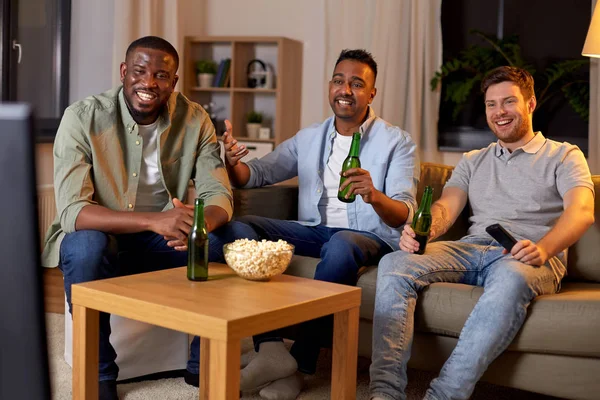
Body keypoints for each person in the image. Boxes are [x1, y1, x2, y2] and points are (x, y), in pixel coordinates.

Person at [369, 66, 595, 400]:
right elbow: (446, 207)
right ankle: (384, 393)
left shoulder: (563, 154)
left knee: (511, 278)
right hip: (471, 249)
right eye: (491, 104)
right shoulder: (474, 160)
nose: (499, 112)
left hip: (526, 256)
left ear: (530, 104)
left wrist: (545, 249)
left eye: (508, 102)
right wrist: (422, 230)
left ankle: (443, 395)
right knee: (394, 263)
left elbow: (582, 211)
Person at [214, 49, 420, 399]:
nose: (345, 89)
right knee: (239, 228)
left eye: (357, 84)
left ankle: (301, 364)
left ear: (371, 94)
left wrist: (374, 195)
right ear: (330, 86)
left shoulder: (397, 142)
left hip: (371, 236)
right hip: (315, 229)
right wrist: (232, 161)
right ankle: (271, 349)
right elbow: (257, 175)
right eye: (339, 81)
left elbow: (405, 211)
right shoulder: (310, 136)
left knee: (341, 246)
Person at [41, 36, 235, 400]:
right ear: (123, 72)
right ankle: (98, 373)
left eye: (161, 75)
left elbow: (218, 195)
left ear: (174, 82)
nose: (148, 83)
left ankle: (201, 361)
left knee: (227, 238)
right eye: (140, 72)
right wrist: (153, 221)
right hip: (103, 236)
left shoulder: (195, 120)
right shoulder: (82, 117)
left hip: (161, 242)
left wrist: (197, 226)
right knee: (85, 246)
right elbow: (73, 212)